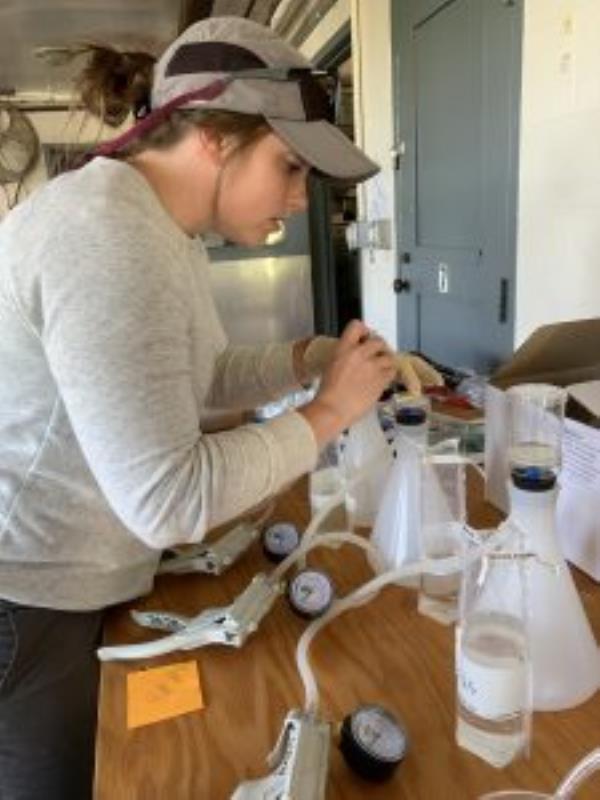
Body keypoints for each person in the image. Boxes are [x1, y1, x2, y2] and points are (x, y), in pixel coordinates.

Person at [0, 16, 440, 800]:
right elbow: (169, 500)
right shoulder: (107, 237)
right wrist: (328, 412)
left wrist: (310, 362)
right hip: (30, 596)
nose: (300, 197)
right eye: (289, 166)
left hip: (77, 577)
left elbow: (195, 380)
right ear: (212, 138)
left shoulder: (157, 227)